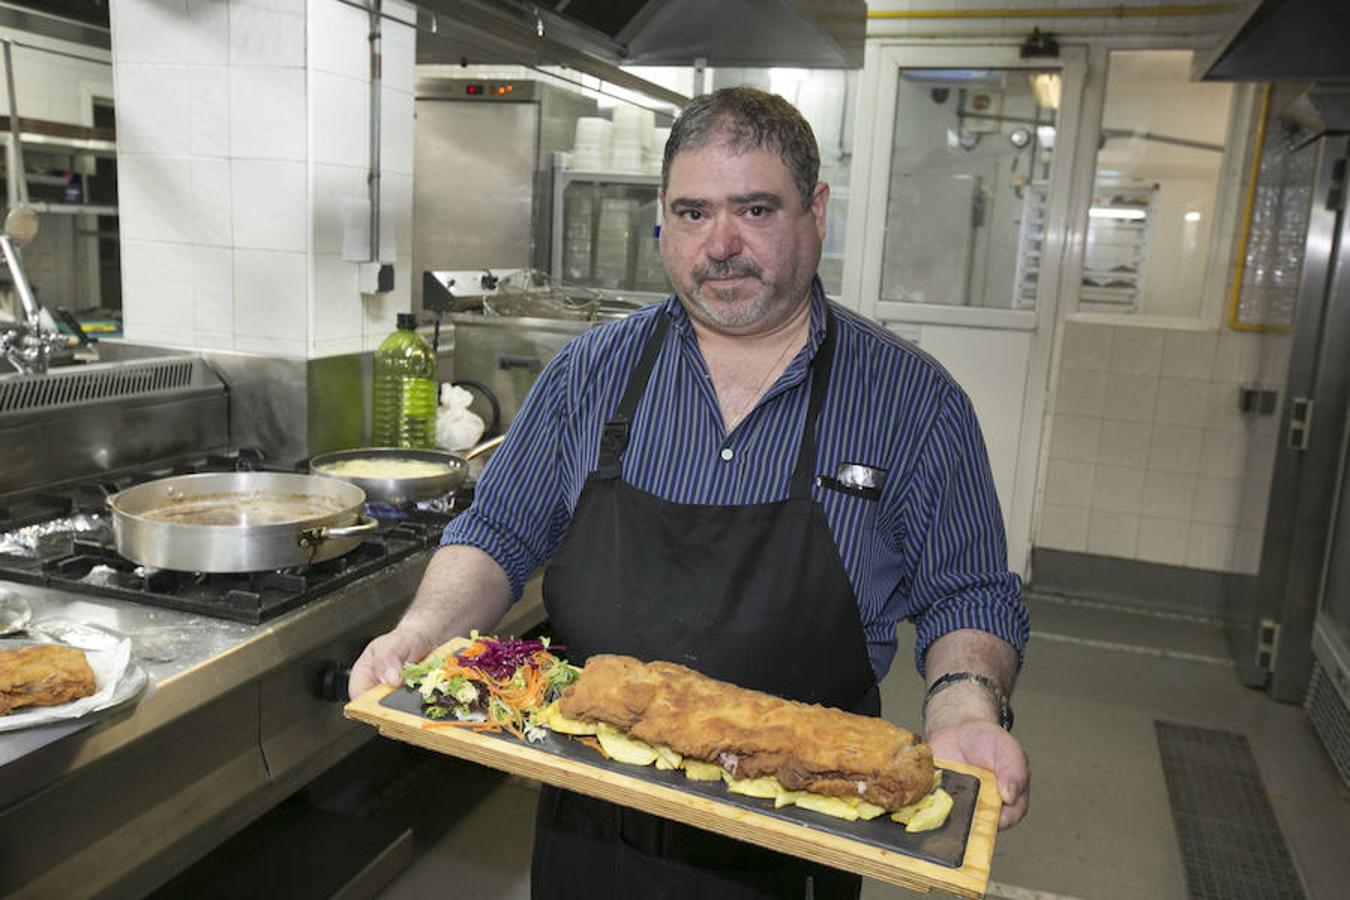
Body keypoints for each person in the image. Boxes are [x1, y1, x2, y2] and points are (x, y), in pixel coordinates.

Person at [350, 86, 1030, 899]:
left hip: (800, 824)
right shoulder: (589, 374)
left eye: (755, 210)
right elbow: (496, 531)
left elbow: (970, 596)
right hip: (595, 803)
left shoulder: (912, 401)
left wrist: (965, 710)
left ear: (815, 211)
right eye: (694, 213)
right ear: (663, 220)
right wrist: (426, 631)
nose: (722, 245)